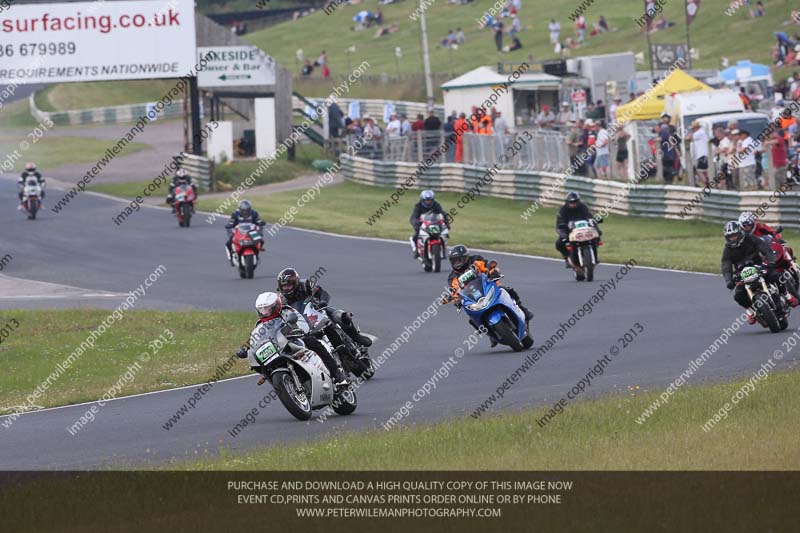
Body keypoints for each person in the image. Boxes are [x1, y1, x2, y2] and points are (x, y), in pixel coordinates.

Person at [235, 292, 349, 387]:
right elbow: (256, 338)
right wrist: (246, 349)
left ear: (276, 306)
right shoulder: (260, 324)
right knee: (266, 366)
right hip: (278, 348)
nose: (265, 312)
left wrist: (300, 331)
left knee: (314, 343)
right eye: (262, 310)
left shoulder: (287, 311)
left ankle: (338, 375)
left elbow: (301, 322)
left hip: (295, 340)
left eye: (268, 309)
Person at [444, 245, 534, 346]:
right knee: (472, 318)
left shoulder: (476, 259)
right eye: (454, 261)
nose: (457, 263)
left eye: (459, 260)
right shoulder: (452, 277)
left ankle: (523, 309)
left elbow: (488, 266)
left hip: (489, 285)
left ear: (465, 257)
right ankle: (491, 334)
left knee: (507, 289)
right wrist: (455, 300)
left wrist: (493, 271)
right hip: (473, 297)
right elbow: (454, 291)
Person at [276, 267, 373, 349]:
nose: (287, 288)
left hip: (316, 310)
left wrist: (323, 302)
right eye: (284, 286)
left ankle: (357, 337)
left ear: (296, 282)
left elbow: (322, 292)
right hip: (301, 322)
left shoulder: (305, 285)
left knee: (343, 316)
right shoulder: (280, 299)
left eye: (289, 285)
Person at [720, 221, 782, 324]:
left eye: (735, 235)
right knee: (738, 295)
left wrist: (771, 260)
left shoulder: (750, 238)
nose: (733, 238)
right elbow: (726, 265)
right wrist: (729, 280)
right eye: (730, 237)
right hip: (742, 273)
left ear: (740, 233)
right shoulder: (728, 249)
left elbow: (764, 247)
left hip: (758, 265)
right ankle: (751, 311)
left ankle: (787, 295)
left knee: (776, 276)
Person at [555, 191, 599, 268]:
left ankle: (594, 257)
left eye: (575, 202)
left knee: (596, 235)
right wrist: (563, 229)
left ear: (578, 201)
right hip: (570, 231)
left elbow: (589, 216)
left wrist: (593, 224)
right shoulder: (563, 210)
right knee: (559, 243)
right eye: (571, 202)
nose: (573, 204)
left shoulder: (583, 207)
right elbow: (560, 222)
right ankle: (567, 258)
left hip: (583, 229)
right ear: (567, 202)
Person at [225, 200, 266, 265]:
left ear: (250, 209)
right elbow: (231, 223)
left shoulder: (254, 213)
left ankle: (257, 255)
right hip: (239, 233)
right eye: (243, 210)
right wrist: (230, 232)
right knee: (228, 243)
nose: (245, 212)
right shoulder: (235, 214)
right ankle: (231, 257)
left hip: (252, 232)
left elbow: (259, 222)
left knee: (261, 241)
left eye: (247, 210)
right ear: (240, 209)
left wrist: (260, 231)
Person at [410, 190, 448, 256]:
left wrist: (446, 222)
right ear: (422, 200)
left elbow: (442, 213)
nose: (428, 202)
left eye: (429, 200)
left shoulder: (436, 205)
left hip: (434, 223)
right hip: (423, 225)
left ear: (433, 200)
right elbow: (413, 217)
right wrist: (416, 223)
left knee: (445, 234)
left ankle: (443, 248)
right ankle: (416, 250)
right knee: (416, 236)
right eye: (426, 200)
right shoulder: (418, 206)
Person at [686, 120, 710, 187]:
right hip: (701, 155)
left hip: (702, 154)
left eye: (692, 129)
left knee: (699, 171)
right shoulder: (700, 133)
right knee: (704, 171)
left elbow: (688, 137)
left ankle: (707, 184)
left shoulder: (700, 133)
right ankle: (707, 182)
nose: (692, 130)